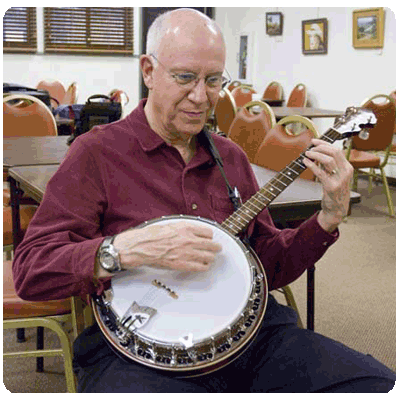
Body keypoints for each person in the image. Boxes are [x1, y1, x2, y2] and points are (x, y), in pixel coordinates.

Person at [12, 9, 395, 393]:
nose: (200, 96)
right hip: (141, 358)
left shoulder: (230, 157)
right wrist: (119, 250)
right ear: (148, 71)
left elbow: (269, 266)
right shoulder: (95, 153)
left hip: (251, 340)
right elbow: (31, 270)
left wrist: (326, 220)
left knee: (375, 383)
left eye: (213, 80)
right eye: (184, 77)